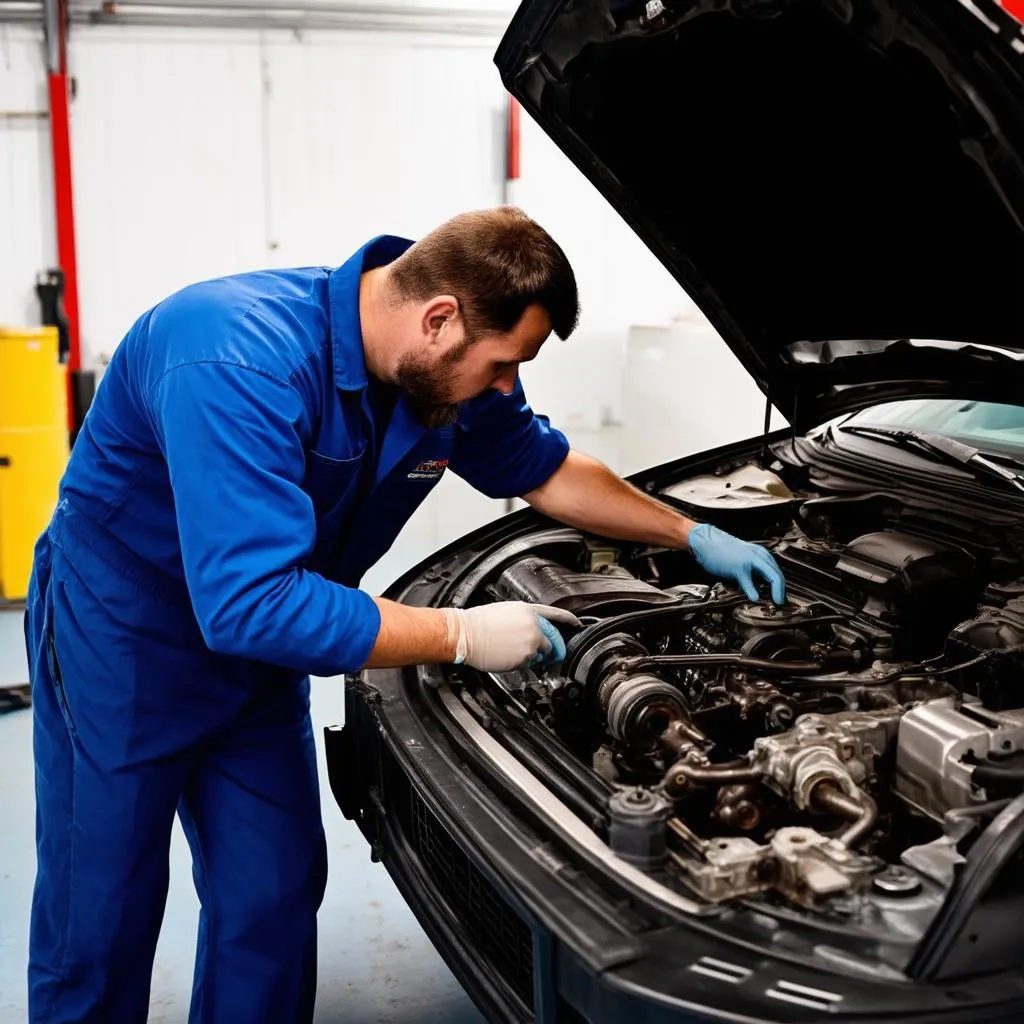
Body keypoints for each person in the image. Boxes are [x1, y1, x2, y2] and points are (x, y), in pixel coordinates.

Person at [24, 206, 785, 1023]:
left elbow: (542, 467)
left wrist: (690, 530)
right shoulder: (233, 356)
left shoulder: (440, 368)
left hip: (270, 642)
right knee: (100, 911)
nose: (504, 387)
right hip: (124, 639)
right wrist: (462, 635)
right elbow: (247, 602)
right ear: (440, 317)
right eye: (500, 366)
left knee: (272, 894)